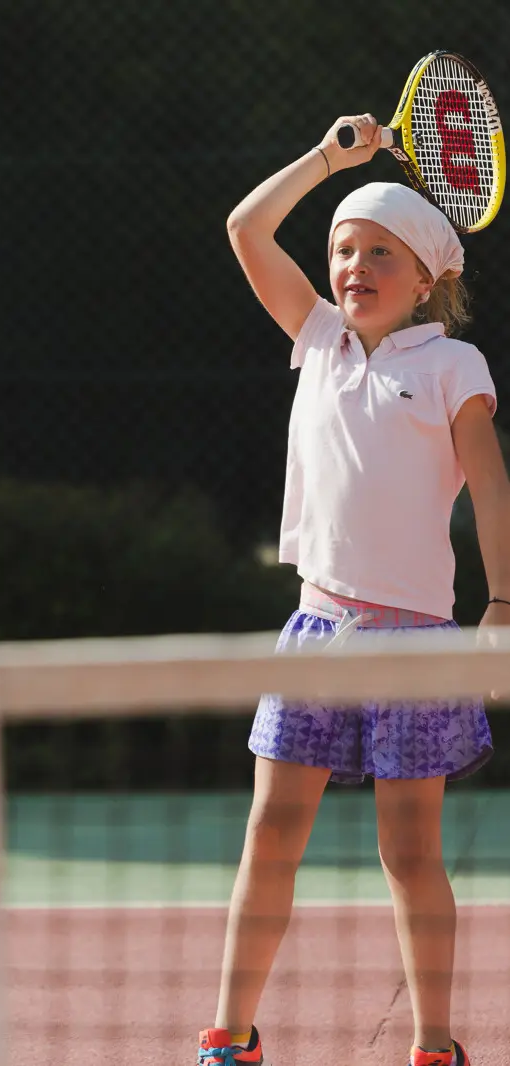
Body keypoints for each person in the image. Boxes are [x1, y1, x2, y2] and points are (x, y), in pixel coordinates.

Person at [198, 113, 510, 1066]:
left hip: (416, 648)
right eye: (342, 248)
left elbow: (491, 485)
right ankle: (231, 1035)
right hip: (315, 631)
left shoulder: (456, 366)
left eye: (380, 249)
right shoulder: (320, 342)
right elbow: (247, 230)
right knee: (270, 838)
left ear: (428, 278)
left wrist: (502, 608)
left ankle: (432, 1045)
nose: (353, 265)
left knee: (410, 858)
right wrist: (330, 161)